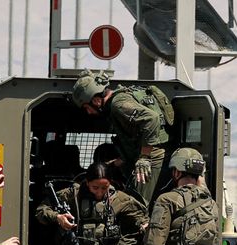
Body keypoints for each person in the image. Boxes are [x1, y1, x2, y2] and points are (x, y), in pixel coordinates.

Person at [72, 70, 173, 206]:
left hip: (152, 160)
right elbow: (135, 140)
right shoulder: (119, 102)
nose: (88, 113)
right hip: (149, 158)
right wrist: (114, 164)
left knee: (136, 208)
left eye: (86, 108)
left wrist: (144, 158)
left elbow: (151, 119)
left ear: (96, 101)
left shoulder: (118, 104)